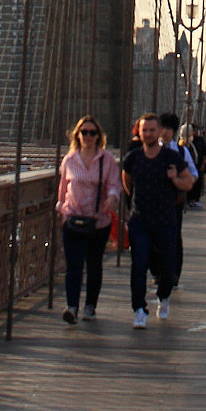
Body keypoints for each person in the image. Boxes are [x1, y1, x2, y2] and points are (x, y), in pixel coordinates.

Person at [121, 114, 193, 327]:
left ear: (159, 131)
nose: (149, 134)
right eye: (145, 130)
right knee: (139, 265)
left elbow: (188, 183)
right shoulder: (133, 158)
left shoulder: (171, 157)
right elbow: (127, 183)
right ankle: (139, 310)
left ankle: (164, 296)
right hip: (140, 219)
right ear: (139, 132)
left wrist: (174, 178)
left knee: (169, 269)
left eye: (152, 130)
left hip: (166, 220)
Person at [56, 117, 121, 322]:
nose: (88, 136)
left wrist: (112, 198)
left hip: (98, 222)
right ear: (77, 135)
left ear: (99, 136)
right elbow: (62, 190)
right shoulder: (69, 160)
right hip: (73, 220)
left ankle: (90, 306)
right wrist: (62, 212)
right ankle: (72, 307)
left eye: (93, 133)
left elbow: (114, 184)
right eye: (84, 132)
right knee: (73, 265)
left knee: (94, 265)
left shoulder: (107, 160)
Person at [159, 112, 197, 285]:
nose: (165, 132)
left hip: (174, 201)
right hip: (153, 202)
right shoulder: (150, 150)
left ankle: (174, 274)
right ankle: (159, 272)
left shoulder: (182, 151)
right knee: (154, 237)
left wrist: (183, 184)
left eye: (169, 129)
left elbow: (194, 174)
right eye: (163, 128)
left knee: (174, 236)